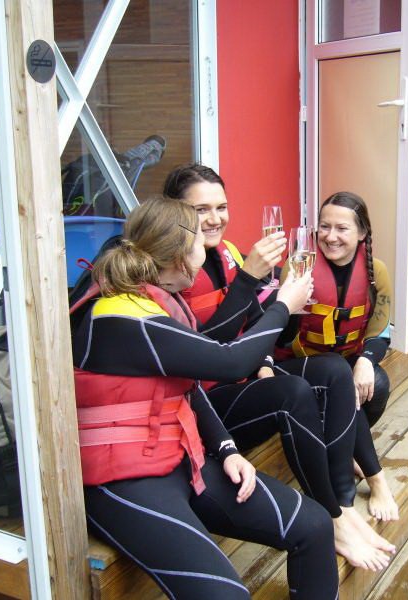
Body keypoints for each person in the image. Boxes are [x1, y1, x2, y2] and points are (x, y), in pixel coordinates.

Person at [69, 197, 339, 599]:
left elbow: (189, 386)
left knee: (314, 525)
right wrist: (284, 305)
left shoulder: (157, 300)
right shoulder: (121, 316)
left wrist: (227, 449)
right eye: (200, 241)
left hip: (180, 458)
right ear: (181, 258)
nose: (208, 248)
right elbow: (230, 362)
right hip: (123, 481)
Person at [163, 165, 397, 555]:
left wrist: (268, 354)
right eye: (201, 209)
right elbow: (204, 354)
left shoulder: (228, 253)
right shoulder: (171, 270)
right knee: (294, 393)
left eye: (221, 207)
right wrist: (256, 285)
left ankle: (343, 499)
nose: (215, 218)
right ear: (175, 211)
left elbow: (255, 322)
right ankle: (332, 515)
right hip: (205, 403)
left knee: (335, 370)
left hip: (243, 378)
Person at [277, 191, 397, 522]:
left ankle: (344, 449)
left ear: (362, 233)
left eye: (342, 228)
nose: (331, 236)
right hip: (298, 363)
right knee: (339, 380)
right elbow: (280, 336)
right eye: (324, 227)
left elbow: (381, 332)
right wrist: (293, 303)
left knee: (377, 385)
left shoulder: (376, 272)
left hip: (343, 362)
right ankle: (376, 478)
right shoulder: (299, 266)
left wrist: (366, 361)